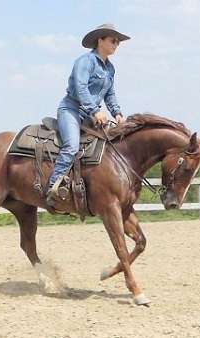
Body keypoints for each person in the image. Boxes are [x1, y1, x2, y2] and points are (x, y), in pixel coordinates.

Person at [46, 23, 130, 207]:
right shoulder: (85, 61)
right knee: (71, 146)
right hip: (72, 110)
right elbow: (81, 88)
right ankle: (52, 186)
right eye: (113, 40)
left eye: (118, 42)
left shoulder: (110, 68)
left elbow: (110, 93)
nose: (116, 44)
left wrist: (117, 113)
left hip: (92, 115)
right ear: (100, 40)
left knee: (110, 146)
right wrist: (94, 110)